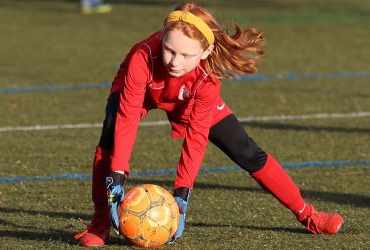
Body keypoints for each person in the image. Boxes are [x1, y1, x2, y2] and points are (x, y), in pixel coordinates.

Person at [74, 2, 344, 247]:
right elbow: (128, 118)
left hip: (188, 96)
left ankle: (309, 215)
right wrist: (118, 175)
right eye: (168, 49)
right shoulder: (142, 57)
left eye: (185, 55)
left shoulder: (208, 77)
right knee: (110, 137)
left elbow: (197, 136)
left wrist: (182, 195)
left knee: (246, 150)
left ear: (206, 51)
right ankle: (101, 222)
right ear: (162, 38)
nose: (174, 61)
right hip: (142, 91)